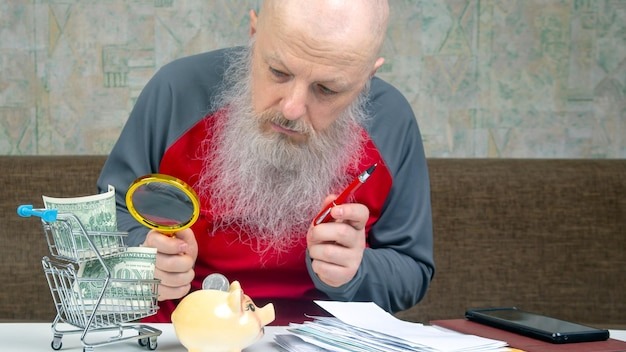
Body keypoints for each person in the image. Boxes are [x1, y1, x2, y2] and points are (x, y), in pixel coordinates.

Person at [97, 0, 434, 325]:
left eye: (327, 89)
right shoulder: (176, 90)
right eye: (278, 71)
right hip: (182, 335)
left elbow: (412, 271)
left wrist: (356, 270)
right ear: (254, 32)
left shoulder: (392, 120)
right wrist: (141, 259)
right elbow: (105, 220)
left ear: (367, 76)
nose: (292, 108)